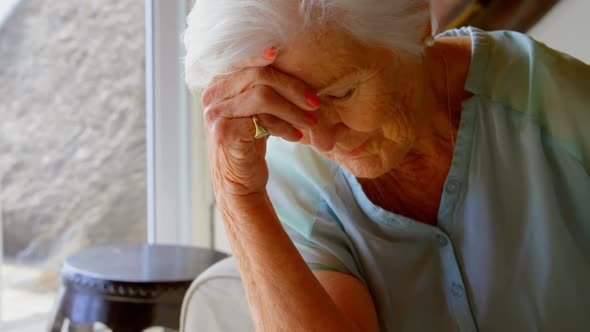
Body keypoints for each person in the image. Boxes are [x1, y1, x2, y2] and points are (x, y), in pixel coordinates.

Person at [183, 0, 590, 331]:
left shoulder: (561, 107)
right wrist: (238, 196)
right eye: (288, 112)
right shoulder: (292, 171)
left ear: (417, 20)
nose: (322, 139)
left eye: (341, 93)